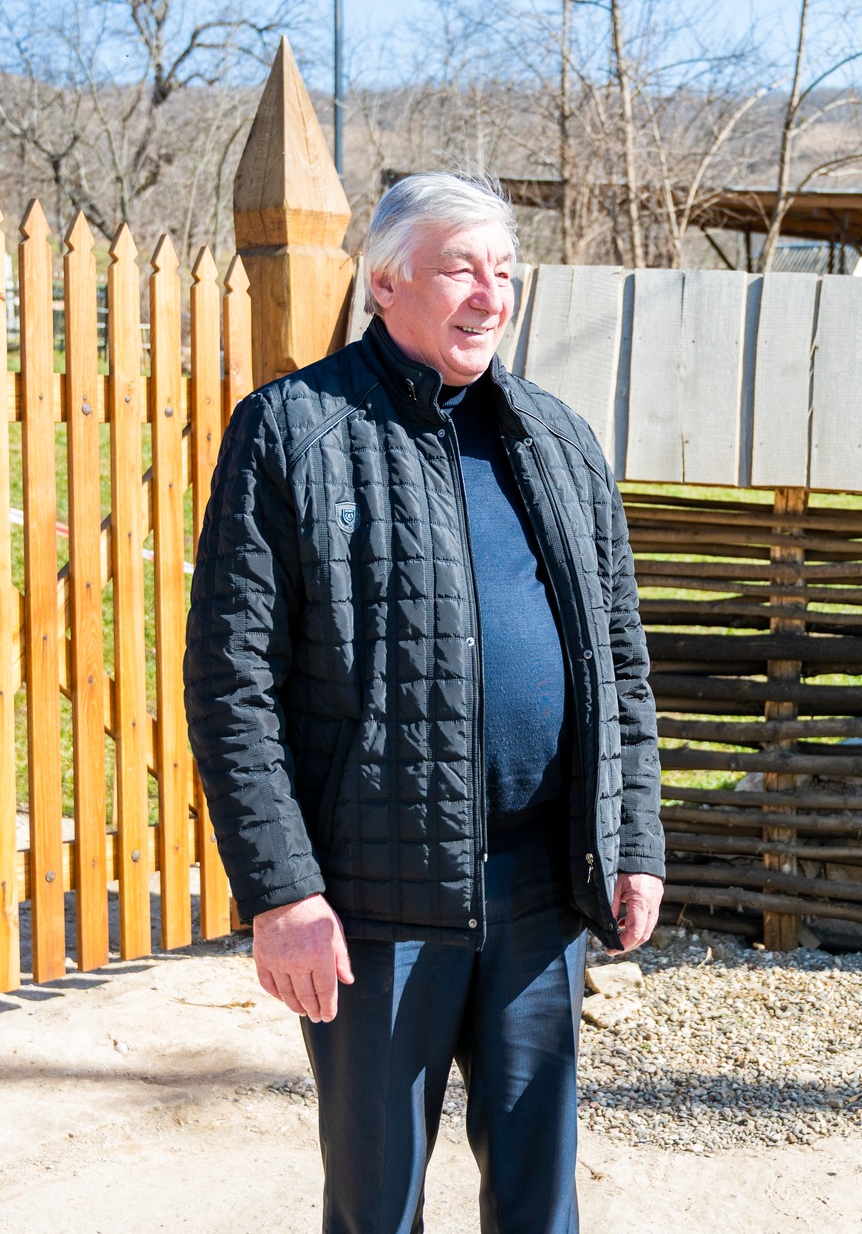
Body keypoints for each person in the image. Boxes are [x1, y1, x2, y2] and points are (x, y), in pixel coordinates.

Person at [185, 172, 665, 1234]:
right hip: (374, 900)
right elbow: (231, 684)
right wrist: (282, 891)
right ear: (385, 282)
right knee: (376, 1204)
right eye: (460, 269)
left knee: (540, 1202)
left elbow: (619, 663)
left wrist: (633, 840)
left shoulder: (558, 439)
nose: (490, 296)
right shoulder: (291, 431)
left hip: (541, 887)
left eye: (504, 272)